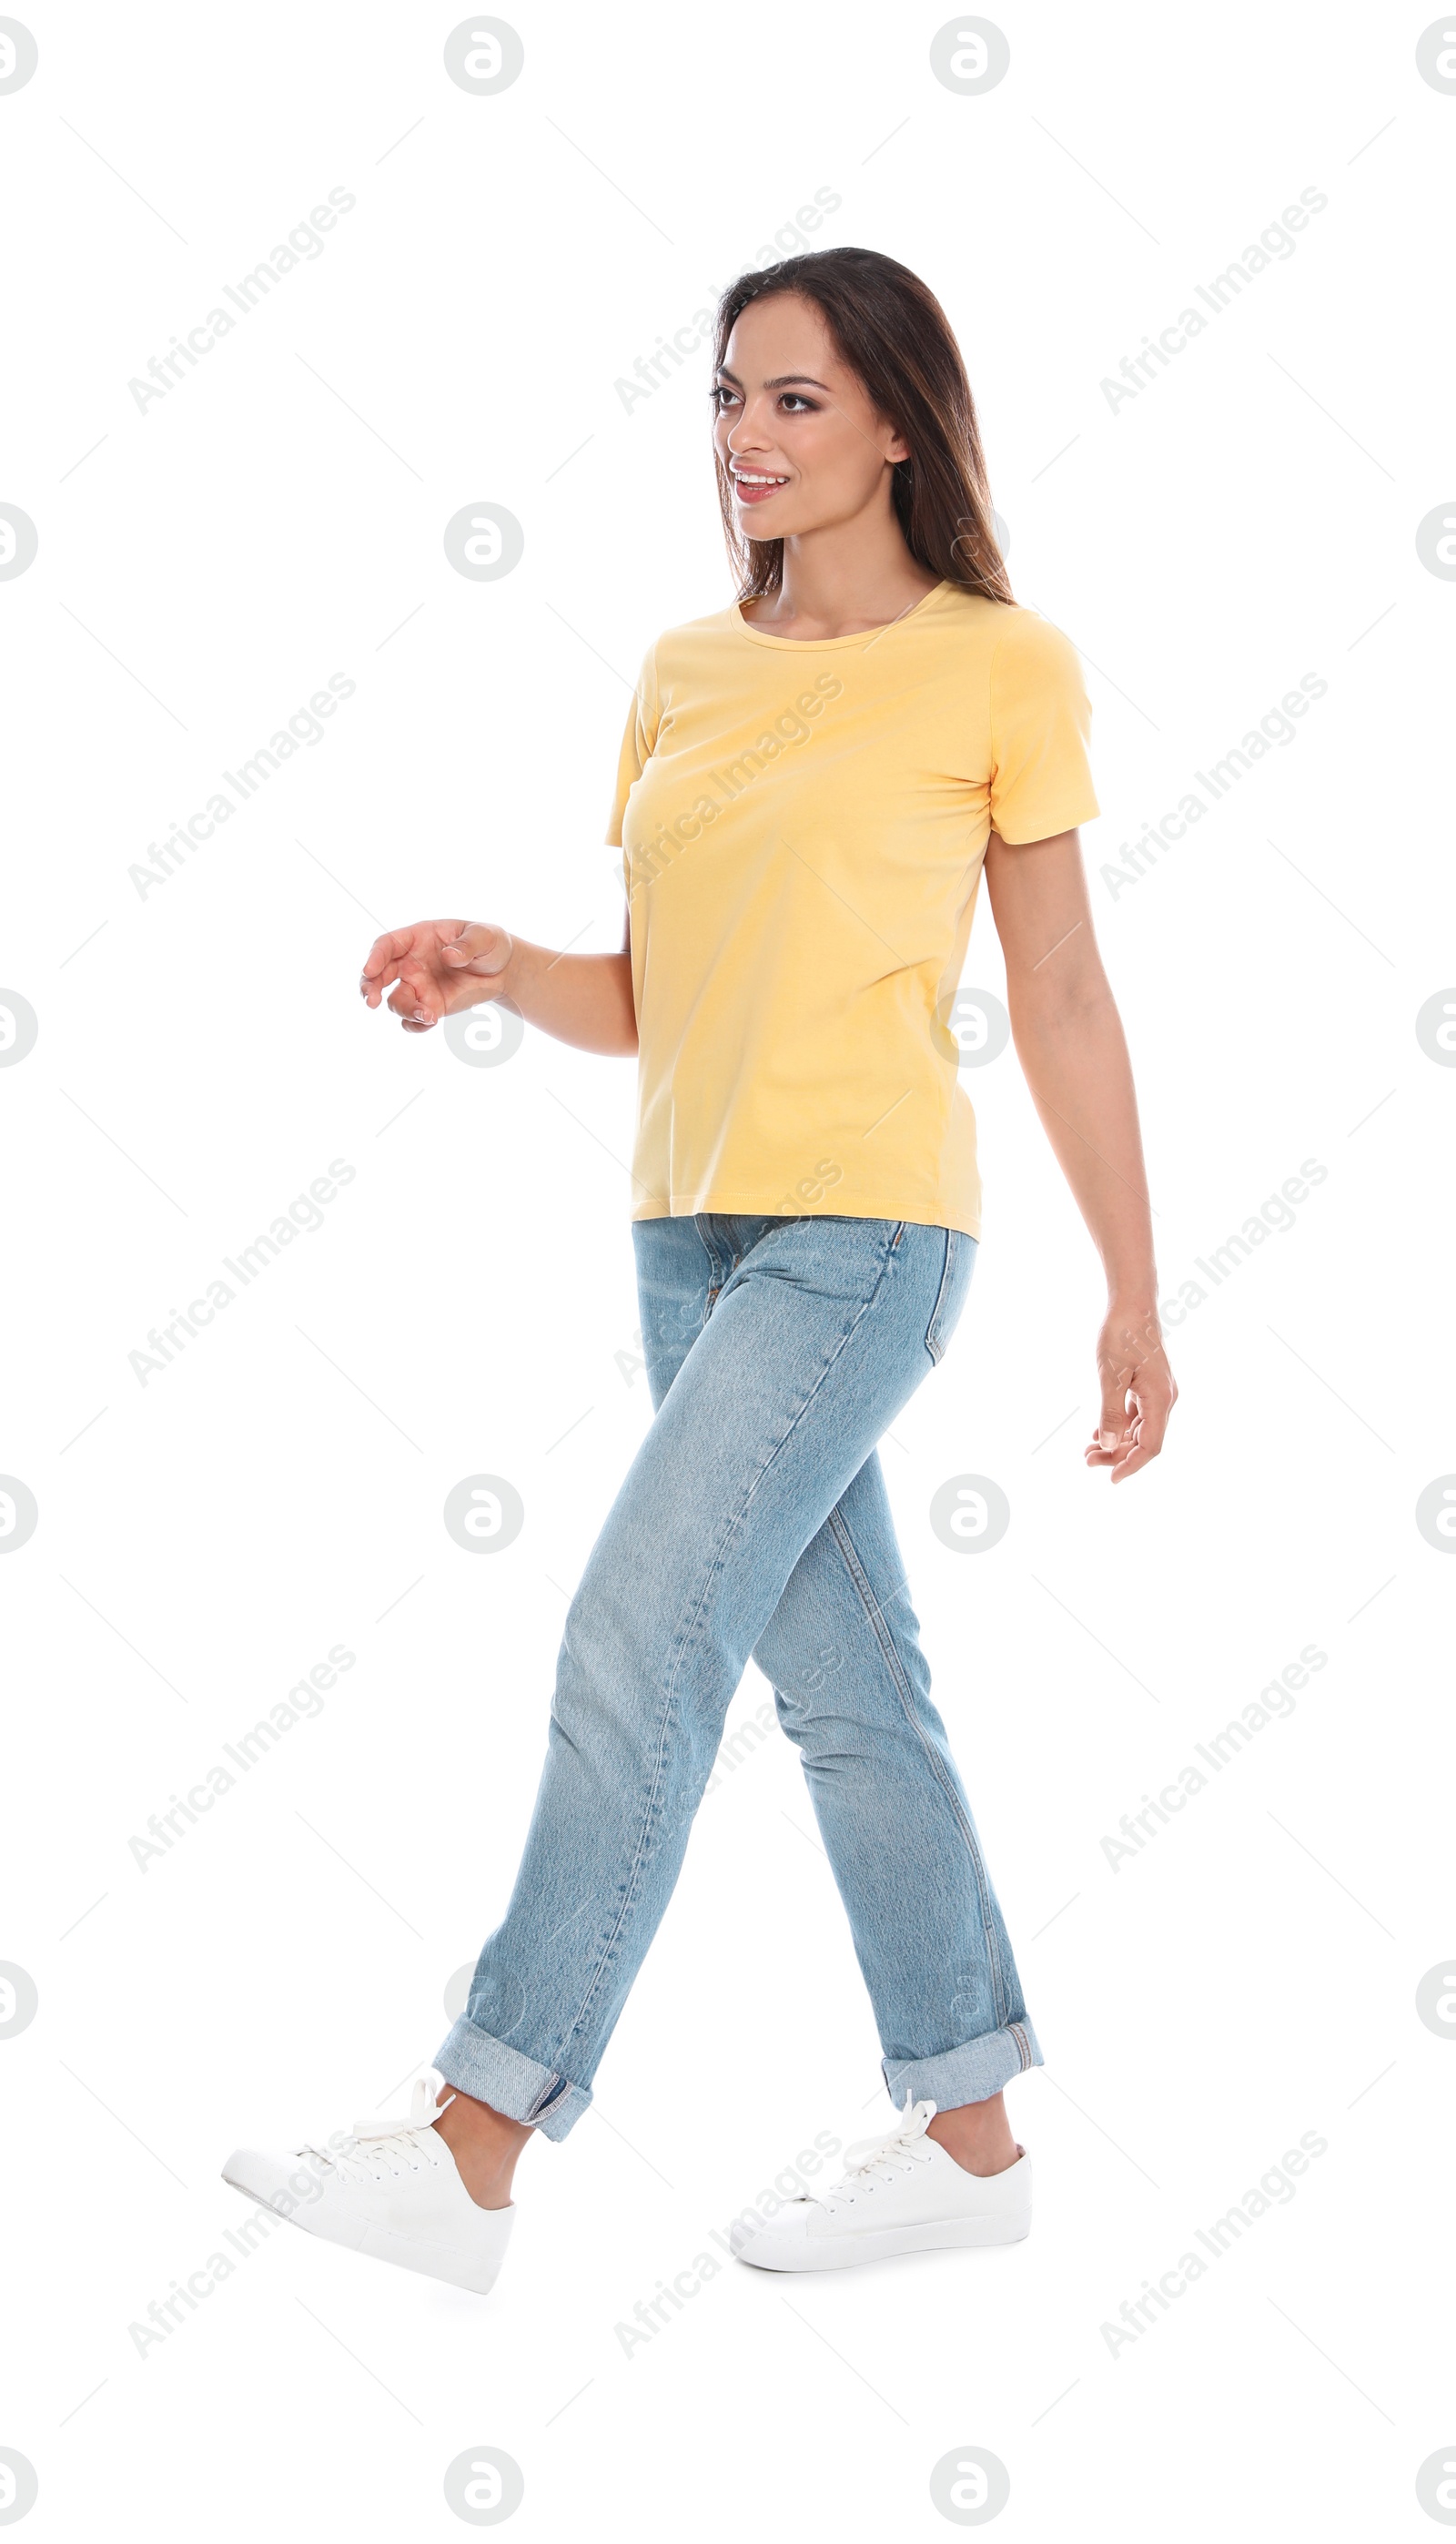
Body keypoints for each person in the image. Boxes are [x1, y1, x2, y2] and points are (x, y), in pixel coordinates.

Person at [224, 246, 1175, 2293]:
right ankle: (971, 2130)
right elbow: (664, 990)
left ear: (899, 423)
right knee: (847, 1697)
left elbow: (1069, 990)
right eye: (727, 400)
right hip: (688, 1236)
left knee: (632, 1640)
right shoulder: (682, 667)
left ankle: (474, 2140)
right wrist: (501, 969)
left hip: (865, 1235)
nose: (745, 439)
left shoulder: (999, 667)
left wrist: (1133, 1289)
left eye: (796, 401)